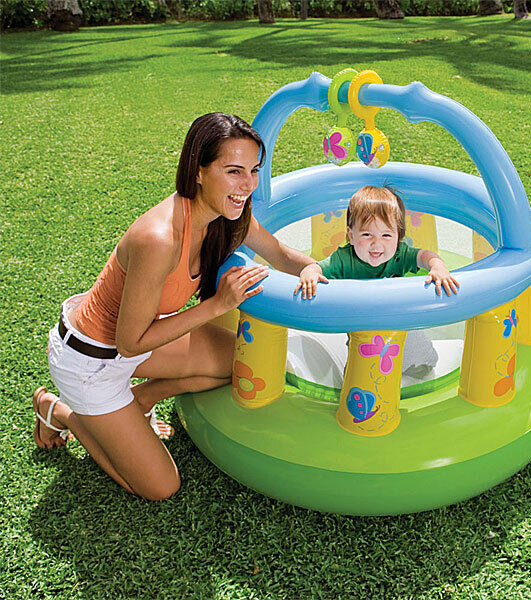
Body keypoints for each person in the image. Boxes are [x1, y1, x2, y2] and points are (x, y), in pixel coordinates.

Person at [33, 113, 318, 501]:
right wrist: (218, 305)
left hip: (143, 339)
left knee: (242, 363)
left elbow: (281, 254)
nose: (248, 184)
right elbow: (129, 343)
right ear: (198, 171)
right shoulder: (159, 238)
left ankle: (142, 399)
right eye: (234, 171)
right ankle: (61, 412)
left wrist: (313, 269)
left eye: (254, 170)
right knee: (161, 487)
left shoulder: (227, 215)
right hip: (92, 362)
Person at [295, 185, 459, 298]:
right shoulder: (343, 259)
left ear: (398, 236)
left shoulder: (400, 254)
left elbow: (425, 256)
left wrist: (438, 267)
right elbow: (315, 267)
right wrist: (310, 274)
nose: (376, 244)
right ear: (351, 236)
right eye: (367, 234)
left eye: (386, 235)